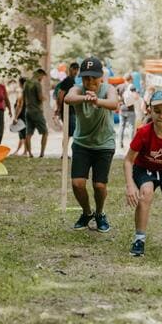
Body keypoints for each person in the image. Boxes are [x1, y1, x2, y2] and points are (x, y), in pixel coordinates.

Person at [124, 90, 162, 260]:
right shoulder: (143, 132)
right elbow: (128, 160)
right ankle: (139, 239)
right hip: (144, 167)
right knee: (146, 193)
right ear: (150, 111)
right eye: (157, 111)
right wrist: (130, 185)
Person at [64, 56, 119, 232]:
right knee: (77, 183)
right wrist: (85, 98)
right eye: (86, 78)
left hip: (104, 144)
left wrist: (97, 101)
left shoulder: (108, 88)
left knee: (99, 186)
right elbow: (68, 98)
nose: (90, 81)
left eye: (94, 77)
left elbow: (114, 103)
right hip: (82, 143)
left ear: (101, 77)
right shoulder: (78, 89)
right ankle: (87, 213)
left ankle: (100, 213)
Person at [23, 68, 48, 158]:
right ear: (39, 74)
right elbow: (40, 97)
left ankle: (29, 153)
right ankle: (42, 153)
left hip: (28, 110)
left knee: (28, 133)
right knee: (45, 132)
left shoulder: (26, 83)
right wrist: (45, 98)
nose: (42, 78)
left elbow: (23, 97)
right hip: (36, 111)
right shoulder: (37, 83)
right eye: (42, 76)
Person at [54, 62, 80, 140]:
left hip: (71, 110)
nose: (75, 71)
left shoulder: (73, 81)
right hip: (67, 111)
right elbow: (60, 94)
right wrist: (59, 108)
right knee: (72, 132)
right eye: (74, 69)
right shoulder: (68, 80)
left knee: (69, 133)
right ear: (70, 69)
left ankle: (65, 147)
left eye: (77, 69)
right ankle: (65, 147)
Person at [11, 77, 28, 155]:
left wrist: (15, 117)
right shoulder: (28, 93)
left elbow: (19, 106)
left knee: (23, 134)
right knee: (22, 134)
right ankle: (20, 151)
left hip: (22, 116)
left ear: (21, 84)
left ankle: (24, 151)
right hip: (26, 115)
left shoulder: (22, 94)